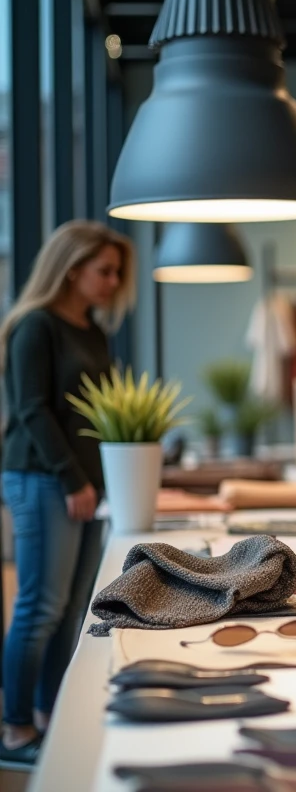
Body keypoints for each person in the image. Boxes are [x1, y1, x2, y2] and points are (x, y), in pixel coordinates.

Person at [0, 221, 137, 764]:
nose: (112, 281)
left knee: (73, 610)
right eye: (104, 270)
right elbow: (31, 410)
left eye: (117, 272)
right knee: (40, 607)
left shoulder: (92, 330)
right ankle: (13, 732)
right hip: (42, 478)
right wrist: (72, 478)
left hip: (83, 485)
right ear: (71, 267)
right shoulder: (36, 326)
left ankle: (48, 718)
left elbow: (97, 412)